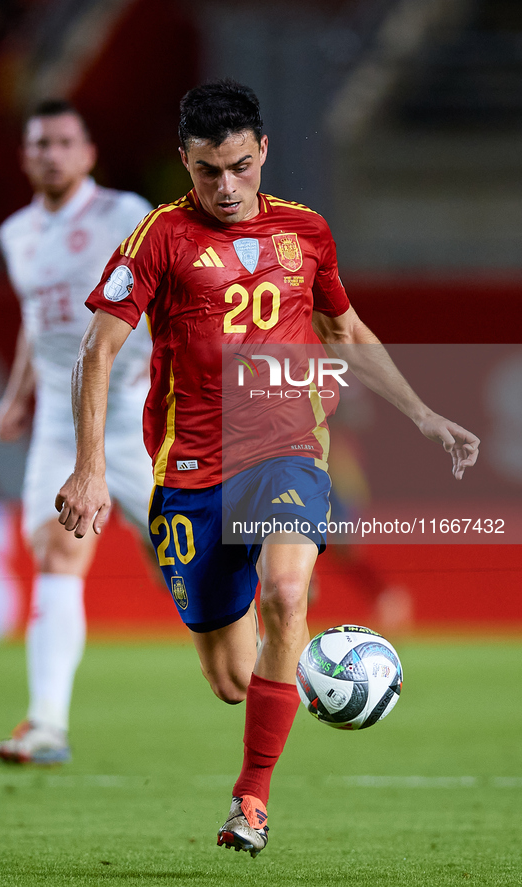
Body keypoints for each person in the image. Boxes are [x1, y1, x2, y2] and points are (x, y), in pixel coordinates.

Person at [55, 80, 479, 854]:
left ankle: (250, 800)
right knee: (229, 678)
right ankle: (296, 667)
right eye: (208, 170)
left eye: (240, 167)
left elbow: (342, 327)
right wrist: (88, 465)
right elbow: (99, 349)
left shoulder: (307, 231)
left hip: (285, 449)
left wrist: (422, 414)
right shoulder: (156, 239)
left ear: (263, 153)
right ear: (184, 160)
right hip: (189, 469)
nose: (226, 186)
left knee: (288, 593)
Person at [0, 99, 153, 765]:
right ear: (26, 155)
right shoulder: (15, 232)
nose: (50, 154)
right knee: (56, 554)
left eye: (62, 142)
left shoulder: (125, 214)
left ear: (87, 153)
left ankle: (267, 662)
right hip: (60, 417)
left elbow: (164, 296)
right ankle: (48, 724)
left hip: (133, 412)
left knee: (191, 559)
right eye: (39, 144)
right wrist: (17, 392)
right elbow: (37, 315)